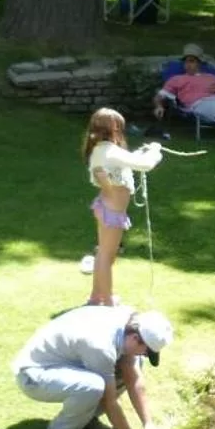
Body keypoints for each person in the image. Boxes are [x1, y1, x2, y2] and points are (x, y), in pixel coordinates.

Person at [12, 305, 174, 429]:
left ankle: (87, 418)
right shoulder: (101, 347)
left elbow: (134, 378)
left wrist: (148, 424)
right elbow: (109, 401)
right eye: (146, 352)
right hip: (34, 374)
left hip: (67, 361)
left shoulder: (128, 324)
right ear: (135, 338)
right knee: (93, 386)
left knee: (132, 364)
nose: (145, 355)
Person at [82, 107, 163, 307]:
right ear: (114, 130)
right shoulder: (110, 151)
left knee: (104, 253)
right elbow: (145, 165)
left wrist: (139, 152)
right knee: (106, 255)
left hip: (106, 207)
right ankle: (107, 299)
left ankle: (96, 296)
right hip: (112, 211)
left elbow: (125, 162)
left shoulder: (101, 150)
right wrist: (155, 151)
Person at [152, 45, 215, 127]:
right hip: (199, 104)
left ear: (199, 63)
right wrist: (159, 106)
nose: (187, 64)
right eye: (185, 61)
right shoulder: (176, 79)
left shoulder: (213, 77)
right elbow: (160, 96)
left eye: (192, 61)